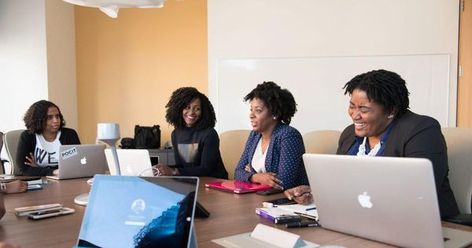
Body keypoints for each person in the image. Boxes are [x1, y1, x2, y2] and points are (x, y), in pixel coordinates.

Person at [285, 69, 459, 219]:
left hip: (424, 225)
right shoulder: (349, 135)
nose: (355, 115)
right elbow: (342, 183)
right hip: (361, 219)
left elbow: (418, 194)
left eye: (364, 109)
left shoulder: (421, 130)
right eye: (352, 106)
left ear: (391, 111)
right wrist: (317, 193)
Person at [234, 82, 309, 190]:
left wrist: (250, 173)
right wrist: (257, 177)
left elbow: (284, 182)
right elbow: (238, 172)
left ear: (275, 113)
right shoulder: (254, 135)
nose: (251, 115)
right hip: (259, 196)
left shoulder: (289, 136)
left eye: (258, 110)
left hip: (286, 200)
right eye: (251, 110)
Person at [154, 87, 228, 179]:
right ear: (178, 109)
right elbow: (181, 167)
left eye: (197, 109)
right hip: (192, 181)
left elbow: (206, 169)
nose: (191, 112)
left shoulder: (209, 134)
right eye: (187, 107)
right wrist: (162, 169)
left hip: (214, 182)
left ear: (203, 111)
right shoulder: (176, 134)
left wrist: (173, 171)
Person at [16, 100, 80, 176]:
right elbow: (24, 169)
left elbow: (76, 163)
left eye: (57, 116)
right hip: (39, 182)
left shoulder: (69, 134)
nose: (56, 120)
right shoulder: (28, 136)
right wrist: (53, 172)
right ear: (38, 120)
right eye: (50, 117)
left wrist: (38, 168)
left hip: (65, 179)